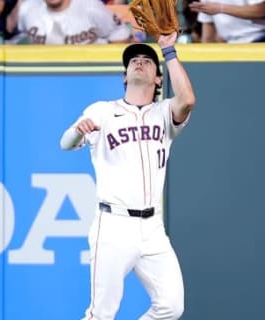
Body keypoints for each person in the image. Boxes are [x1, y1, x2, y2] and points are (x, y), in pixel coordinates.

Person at [59, 32, 195, 320]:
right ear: (124, 76)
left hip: (152, 228)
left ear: (159, 79)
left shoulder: (164, 112)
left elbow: (188, 99)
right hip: (113, 225)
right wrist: (76, 132)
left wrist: (169, 51)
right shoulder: (103, 111)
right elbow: (66, 144)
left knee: (172, 306)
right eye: (134, 60)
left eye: (147, 61)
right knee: (101, 314)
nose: (139, 63)